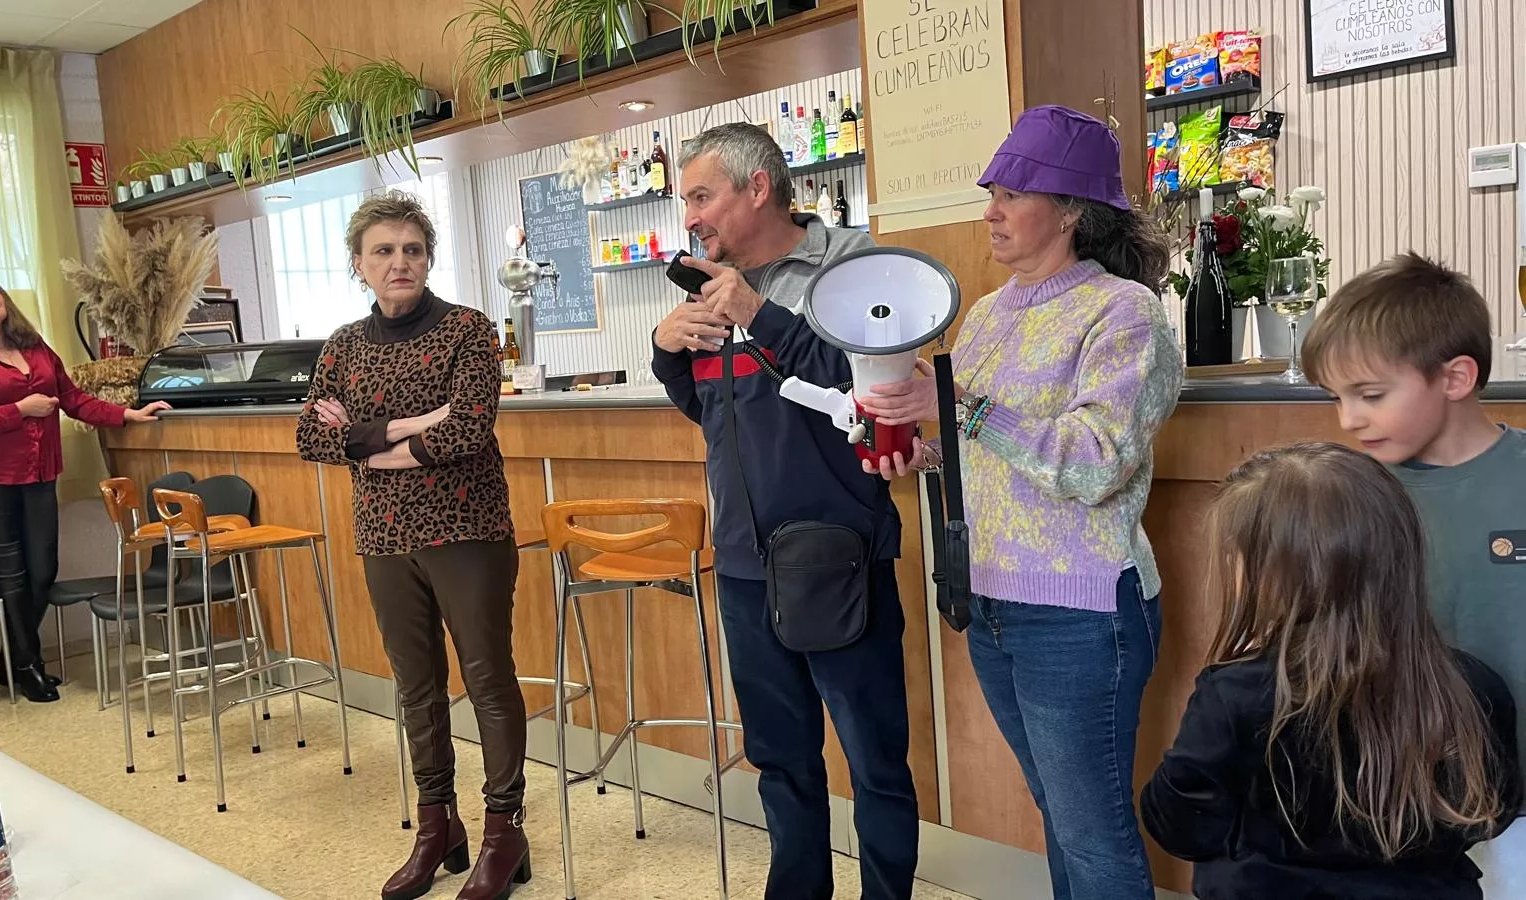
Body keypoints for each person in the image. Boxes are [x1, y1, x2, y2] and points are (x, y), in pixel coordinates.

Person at [862, 105, 1181, 900]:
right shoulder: (985, 314)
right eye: (991, 193)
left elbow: (1095, 462)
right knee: (1061, 818)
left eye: (1011, 194)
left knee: (1093, 836)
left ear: (1072, 210)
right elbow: (979, 449)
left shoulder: (1124, 312)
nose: (991, 213)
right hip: (993, 603)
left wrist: (960, 407)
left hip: (1082, 613)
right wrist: (917, 449)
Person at [651, 122, 919, 898]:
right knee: (781, 762)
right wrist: (669, 347)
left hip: (840, 555)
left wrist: (762, 313)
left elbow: (871, 391)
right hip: (741, 562)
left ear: (757, 188)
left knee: (874, 763)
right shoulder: (710, 284)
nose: (691, 216)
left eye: (701, 196)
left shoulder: (854, 261)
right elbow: (712, 409)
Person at [1140, 442, 1521, 899]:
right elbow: (1490, 814)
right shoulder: (1476, 687)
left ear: (1271, 575)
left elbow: (1180, 826)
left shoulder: (1235, 695)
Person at [294, 192, 528, 900]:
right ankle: (437, 825)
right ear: (358, 264)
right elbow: (313, 437)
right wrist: (412, 425)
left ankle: (502, 828)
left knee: (487, 680)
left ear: (428, 258)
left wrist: (366, 439)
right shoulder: (342, 343)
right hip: (384, 535)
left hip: (467, 530)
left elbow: (466, 432)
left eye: (413, 250)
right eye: (384, 251)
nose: (401, 263)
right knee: (416, 686)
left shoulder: (468, 329)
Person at [1300, 253, 1526, 892]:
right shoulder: (1353, 500)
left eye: (1370, 395)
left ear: (1455, 377)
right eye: (1337, 398)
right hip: (1409, 802)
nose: (1348, 420)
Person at [0, 272, 167, 703]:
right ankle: (27, 665)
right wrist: (18, 410)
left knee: (42, 569)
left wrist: (126, 414)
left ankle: (13, 659)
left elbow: (72, 398)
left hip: (39, 473)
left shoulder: (35, 346)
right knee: (11, 573)